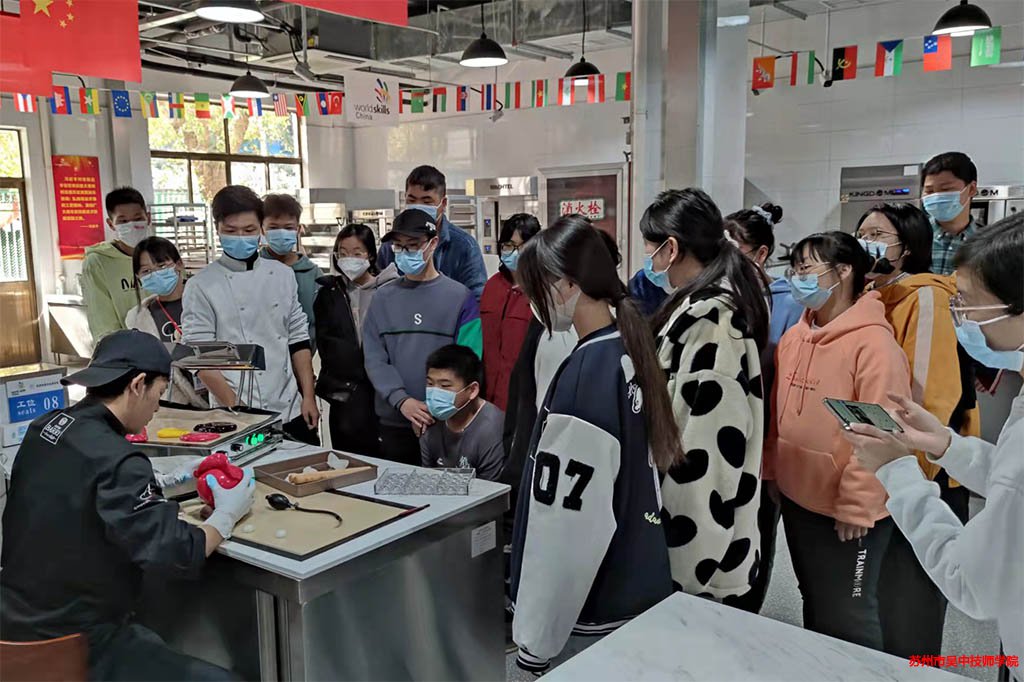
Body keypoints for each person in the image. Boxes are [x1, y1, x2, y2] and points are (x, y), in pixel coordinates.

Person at [0, 330, 255, 681]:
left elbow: (80, 487)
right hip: (73, 642)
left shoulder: (47, 427)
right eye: (159, 393)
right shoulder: (119, 459)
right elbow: (177, 552)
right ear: (137, 385)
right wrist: (228, 513)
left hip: (13, 621)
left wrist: (164, 481)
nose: (157, 408)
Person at [842, 214, 1024, 682]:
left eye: (970, 304)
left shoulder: (921, 296)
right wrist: (946, 445)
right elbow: (1010, 480)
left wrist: (900, 473)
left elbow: (970, 583)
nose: (962, 317)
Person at [509, 215, 682, 673]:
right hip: (636, 574)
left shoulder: (588, 373)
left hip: (594, 602)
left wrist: (537, 639)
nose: (532, 303)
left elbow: (566, 525)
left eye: (535, 290)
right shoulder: (624, 345)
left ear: (568, 284)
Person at [764, 231, 912, 652]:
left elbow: (881, 432)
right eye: (794, 269)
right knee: (816, 599)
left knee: (849, 615)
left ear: (844, 271)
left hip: (847, 511)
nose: (797, 278)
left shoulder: (874, 345)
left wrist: (858, 504)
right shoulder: (795, 336)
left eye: (806, 269)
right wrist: (773, 469)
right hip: (798, 498)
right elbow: (778, 415)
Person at [855, 202, 978, 659]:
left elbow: (929, 397)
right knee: (881, 598)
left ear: (907, 247)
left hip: (925, 472)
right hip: (891, 470)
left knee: (911, 602)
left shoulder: (923, 296)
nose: (866, 242)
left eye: (877, 235)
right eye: (862, 233)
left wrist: (907, 475)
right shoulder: (873, 295)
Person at [639, 189, 770, 607]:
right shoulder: (696, 307)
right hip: (694, 543)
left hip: (701, 559)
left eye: (650, 249)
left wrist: (685, 566)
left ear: (671, 248)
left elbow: (705, 459)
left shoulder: (711, 322)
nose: (649, 261)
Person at [182, 186, 320, 445]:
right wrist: (237, 408)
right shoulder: (201, 285)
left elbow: (298, 339)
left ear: (260, 230)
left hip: (290, 404)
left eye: (249, 230)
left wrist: (309, 396)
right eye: (231, 231)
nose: (241, 237)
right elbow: (200, 358)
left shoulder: (282, 275)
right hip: (235, 412)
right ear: (217, 228)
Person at [723, 202, 800, 613]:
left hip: (766, 439)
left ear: (762, 253)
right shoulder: (720, 297)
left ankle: (748, 612)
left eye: (734, 250)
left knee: (757, 532)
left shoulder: (789, 303)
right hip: (724, 435)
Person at [363, 208, 482, 465]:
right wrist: (402, 400)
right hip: (394, 420)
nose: (405, 252)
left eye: (413, 245)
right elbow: (374, 357)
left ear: (433, 243)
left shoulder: (460, 298)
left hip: (446, 420)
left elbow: (469, 359)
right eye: (399, 246)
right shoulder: (382, 298)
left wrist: (440, 407)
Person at [314, 224, 400, 456]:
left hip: (385, 389)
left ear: (370, 255)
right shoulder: (329, 292)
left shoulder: (390, 289)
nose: (349, 259)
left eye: (356, 253)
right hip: (346, 393)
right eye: (343, 253)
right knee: (348, 458)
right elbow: (325, 343)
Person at [377, 165, 487, 299]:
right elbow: (378, 288)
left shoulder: (464, 246)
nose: (418, 207)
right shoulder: (390, 245)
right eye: (411, 200)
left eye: (426, 202)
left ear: (443, 203)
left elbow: (477, 298)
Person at [125, 236, 207, 407]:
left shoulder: (206, 300)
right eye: (146, 271)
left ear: (179, 264)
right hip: (177, 406)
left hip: (224, 395)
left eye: (162, 266)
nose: (155, 274)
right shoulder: (138, 319)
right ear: (138, 277)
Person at [480, 213, 541, 411]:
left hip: (522, 400)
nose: (514, 252)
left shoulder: (541, 292)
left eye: (522, 246)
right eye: (508, 245)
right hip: (486, 396)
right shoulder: (492, 286)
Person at [420, 344, 504, 481]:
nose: (435, 393)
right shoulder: (427, 419)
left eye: (445, 386)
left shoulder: (492, 428)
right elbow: (427, 477)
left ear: (472, 390)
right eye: (430, 384)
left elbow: (491, 489)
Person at [81, 187, 153, 340]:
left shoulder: (162, 254)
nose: (132, 225)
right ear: (111, 224)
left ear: (148, 218)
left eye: (138, 218)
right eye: (123, 221)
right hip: (125, 348)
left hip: (167, 343)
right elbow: (102, 320)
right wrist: (118, 349)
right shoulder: (98, 262)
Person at [262, 194, 322, 351]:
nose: (281, 233)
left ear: (298, 229)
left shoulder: (313, 274)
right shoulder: (252, 270)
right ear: (262, 229)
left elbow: (319, 322)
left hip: (305, 354)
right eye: (273, 228)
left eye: (288, 228)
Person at [921, 152, 979, 276]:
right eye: (929, 191)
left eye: (946, 189)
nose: (936, 197)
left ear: (971, 189)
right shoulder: (913, 235)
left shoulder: (987, 243)